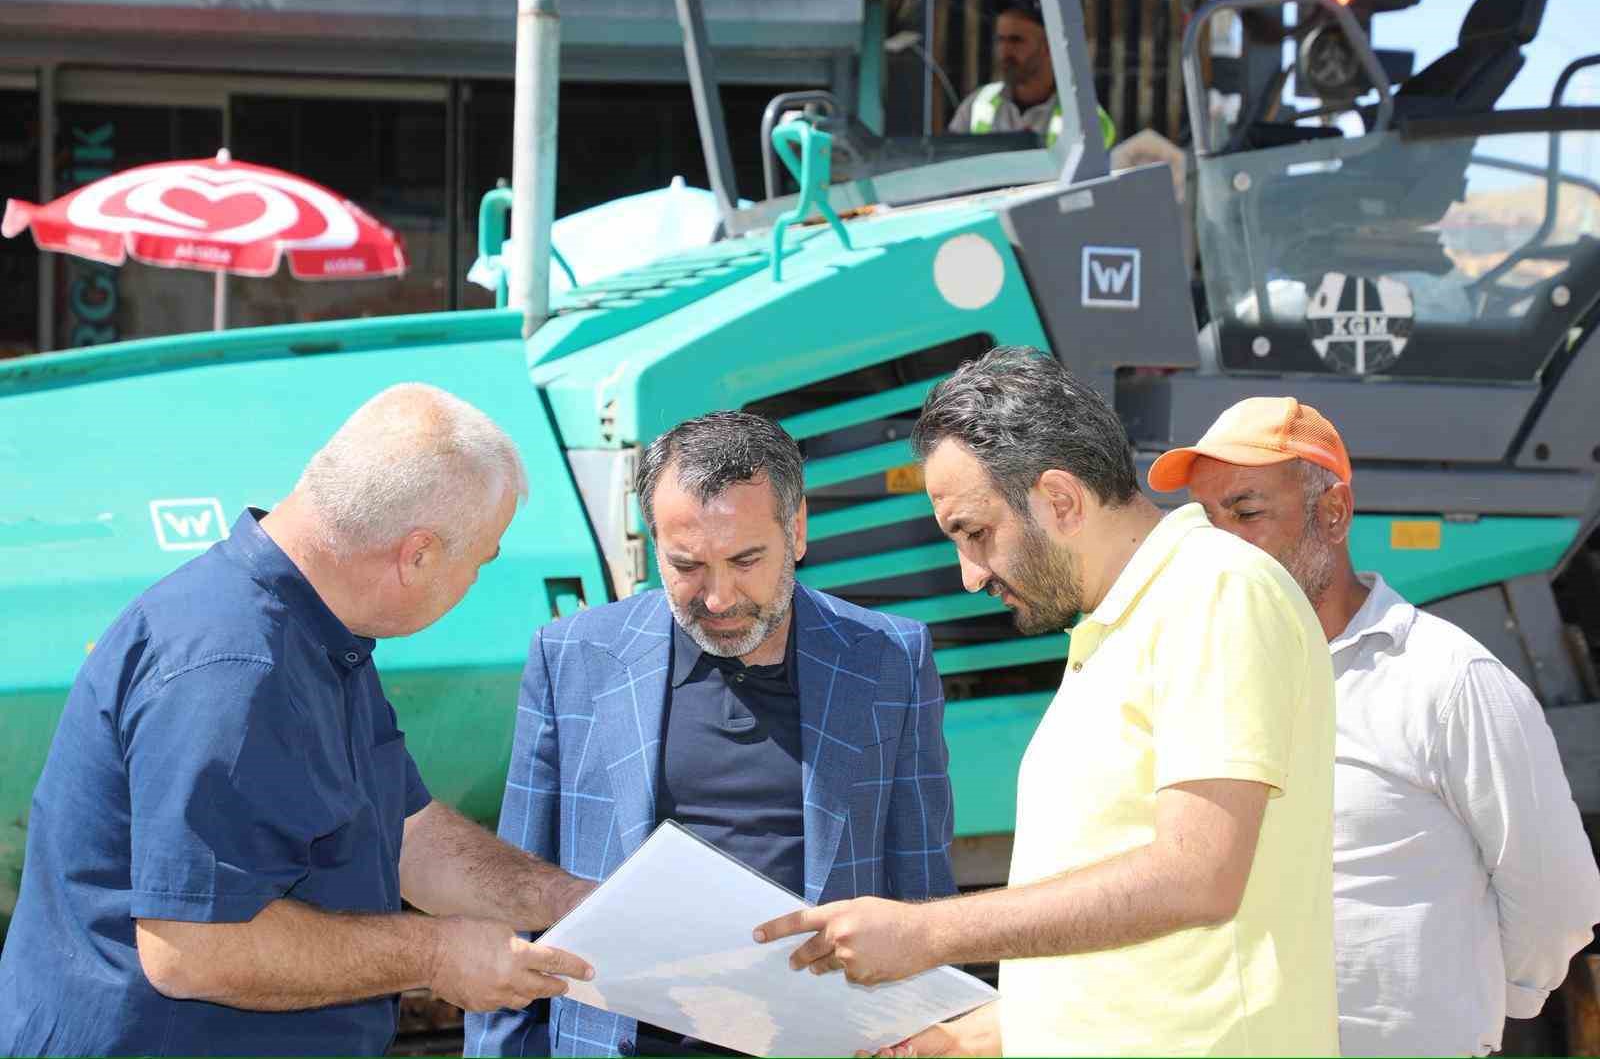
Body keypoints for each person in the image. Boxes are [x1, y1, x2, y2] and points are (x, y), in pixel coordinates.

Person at [755, 347, 1339, 1057]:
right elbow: (1128, 934)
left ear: (1060, 500)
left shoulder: (1216, 589)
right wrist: (980, 1037)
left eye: (974, 532)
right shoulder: (1120, 624)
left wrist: (927, 933)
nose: (970, 575)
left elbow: (1199, 875)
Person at [0, 384, 595, 1058]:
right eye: (481, 560)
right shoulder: (233, 671)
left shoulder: (321, 629)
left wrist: (566, 900)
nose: (476, 580)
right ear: (418, 554)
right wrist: (435, 953)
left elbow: (407, 834)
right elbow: (194, 949)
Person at [466, 410, 956, 1059]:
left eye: (746, 559)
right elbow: (512, 904)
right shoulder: (573, 658)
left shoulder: (889, 658)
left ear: (798, 529)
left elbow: (923, 897)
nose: (719, 598)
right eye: (687, 565)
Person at [1147, 395, 1600, 1057]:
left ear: (1332, 514)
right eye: (1208, 522)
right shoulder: (1199, 681)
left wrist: (1474, 1005)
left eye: (1246, 513)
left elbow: (1555, 896)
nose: (1224, 547)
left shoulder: (1448, 680)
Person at [947, 0, 1117, 150]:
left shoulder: (1087, 119)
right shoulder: (977, 104)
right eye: (1000, 40)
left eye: (1016, 40)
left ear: (1050, 45)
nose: (1004, 51)